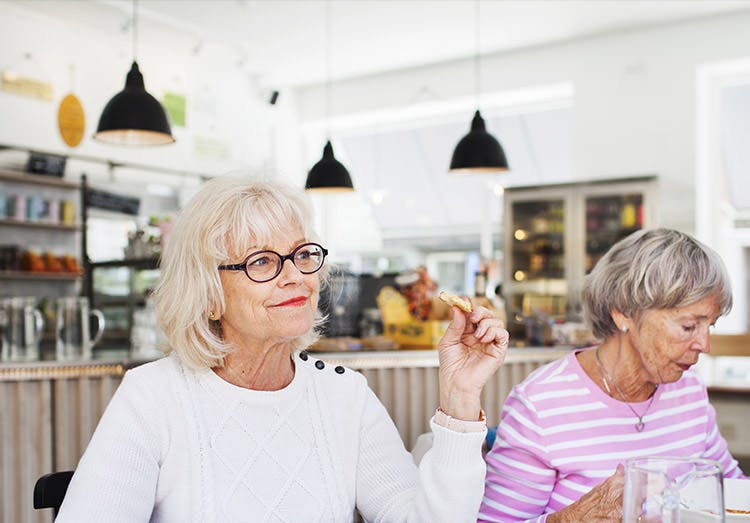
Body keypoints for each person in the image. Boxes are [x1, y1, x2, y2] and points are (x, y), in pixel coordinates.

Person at [56, 175, 509, 523]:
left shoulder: (345, 397)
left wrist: (459, 400)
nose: (294, 275)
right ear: (209, 294)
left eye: (301, 254)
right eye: (262, 262)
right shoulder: (152, 397)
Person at [479, 228, 746, 522]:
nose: (704, 345)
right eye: (688, 326)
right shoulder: (541, 404)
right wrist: (569, 519)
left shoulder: (689, 390)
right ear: (623, 312)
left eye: (711, 325)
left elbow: (732, 492)